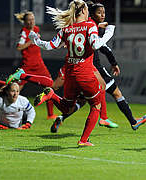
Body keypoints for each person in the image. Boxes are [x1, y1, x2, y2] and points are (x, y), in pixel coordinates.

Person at [28, 0, 115, 147]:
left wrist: (35, 39)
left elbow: (50, 45)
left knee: (66, 107)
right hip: (85, 73)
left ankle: (51, 95)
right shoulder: (89, 26)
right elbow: (96, 44)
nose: (88, 12)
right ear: (82, 11)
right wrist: (109, 32)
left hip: (70, 74)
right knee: (96, 105)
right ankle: (83, 140)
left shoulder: (66, 29)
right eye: (87, 9)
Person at [14, 11, 56, 120]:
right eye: (29, 19)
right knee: (14, 88)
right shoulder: (24, 32)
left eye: (33, 19)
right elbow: (19, 47)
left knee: (49, 86)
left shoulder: (36, 29)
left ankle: (50, 114)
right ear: (25, 22)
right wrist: (31, 42)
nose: (32, 21)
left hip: (39, 65)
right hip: (27, 65)